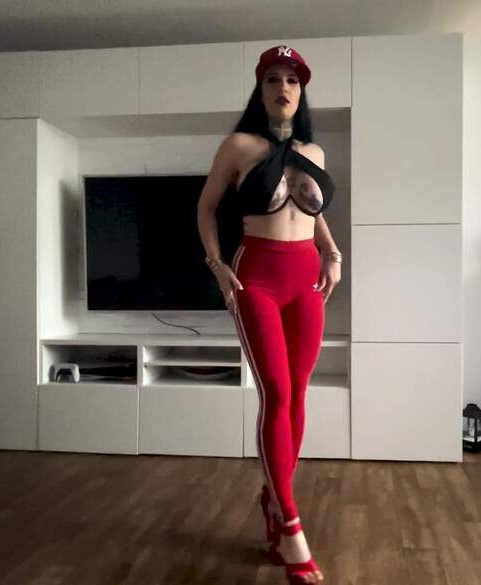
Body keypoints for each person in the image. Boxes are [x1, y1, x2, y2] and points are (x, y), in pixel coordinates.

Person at [196, 45, 341, 584]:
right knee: (276, 393)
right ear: (260, 90)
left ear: (302, 92)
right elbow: (206, 206)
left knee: (299, 393)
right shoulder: (239, 145)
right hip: (255, 276)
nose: (284, 87)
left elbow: (312, 211)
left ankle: (274, 500)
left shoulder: (313, 151)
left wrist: (333, 253)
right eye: (274, 79)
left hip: (306, 281)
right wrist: (216, 265)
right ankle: (292, 524)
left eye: (293, 80)